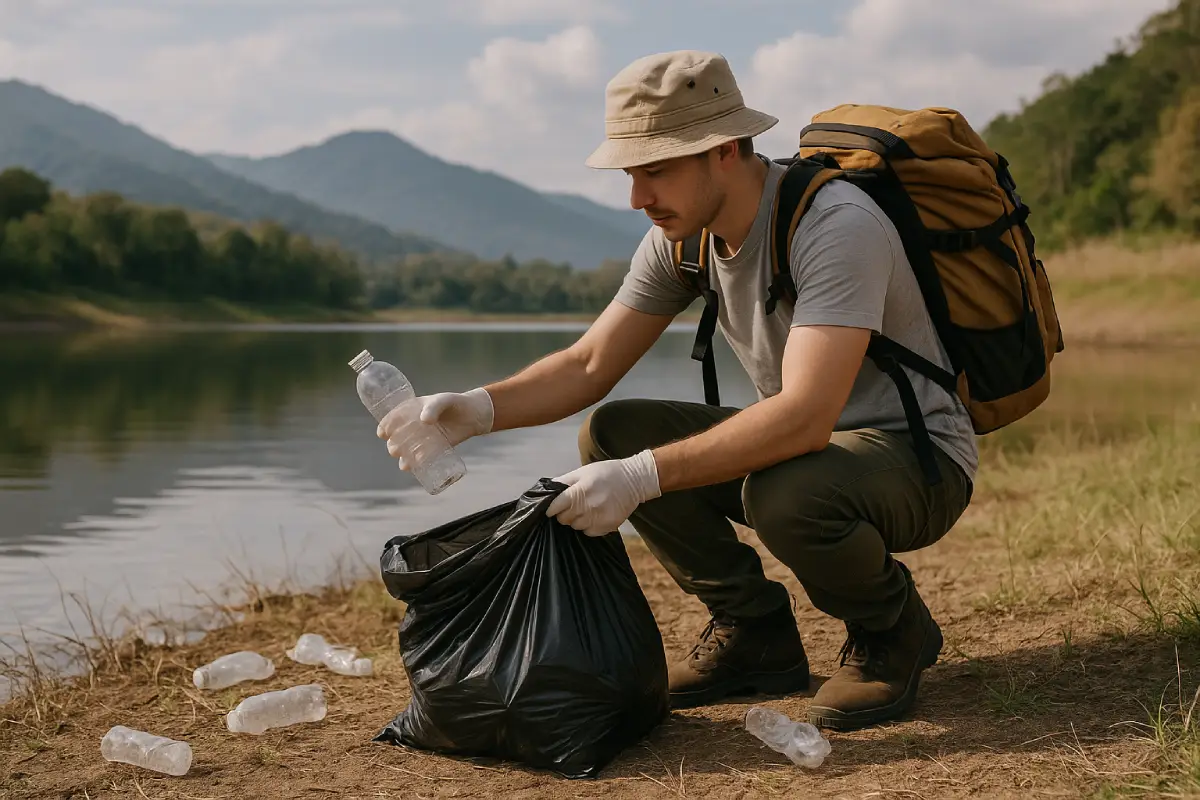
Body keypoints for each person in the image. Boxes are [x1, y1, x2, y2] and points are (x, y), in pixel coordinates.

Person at [376, 49, 976, 731]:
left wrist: (639, 479)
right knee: (613, 430)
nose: (637, 197)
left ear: (723, 149)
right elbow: (587, 365)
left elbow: (807, 418)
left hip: (917, 460)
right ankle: (754, 634)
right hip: (817, 452)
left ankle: (892, 628)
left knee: (780, 492)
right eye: (632, 173)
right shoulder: (683, 238)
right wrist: (472, 412)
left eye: (654, 170)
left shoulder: (836, 225)